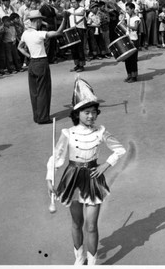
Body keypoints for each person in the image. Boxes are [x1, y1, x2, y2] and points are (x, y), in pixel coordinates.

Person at [46, 77, 127, 265]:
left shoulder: (101, 132)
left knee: (91, 226)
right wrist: (49, 179)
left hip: (92, 179)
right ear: (77, 113)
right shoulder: (68, 133)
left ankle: (91, 262)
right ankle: (79, 257)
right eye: (86, 112)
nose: (91, 116)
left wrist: (105, 165)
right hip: (72, 178)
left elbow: (120, 149)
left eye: (93, 113)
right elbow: (56, 158)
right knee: (77, 223)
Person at [17, 9, 69, 124]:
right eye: (40, 20)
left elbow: (20, 47)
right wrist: (65, 19)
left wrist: (29, 55)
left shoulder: (25, 33)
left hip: (32, 64)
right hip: (41, 62)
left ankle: (37, 116)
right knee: (43, 91)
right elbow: (58, 33)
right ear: (37, 20)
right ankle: (43, 117)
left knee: (34, 92)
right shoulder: (39, 34)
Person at [123, 2, 140, 83]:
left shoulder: (136, 18)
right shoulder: (127, 17)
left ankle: (134, 76)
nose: (127, 11)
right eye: (126, 9)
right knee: (127, 59)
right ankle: (129, 75)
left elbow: (136, 28)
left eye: (128, 9)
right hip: (127, 39)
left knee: (133, 59)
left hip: (134, 40)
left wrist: (128, 26)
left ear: (133, 9)